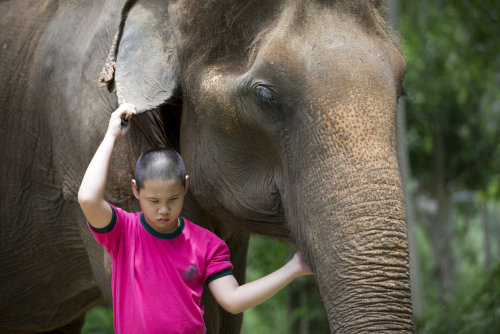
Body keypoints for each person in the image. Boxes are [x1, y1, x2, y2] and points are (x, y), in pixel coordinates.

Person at [78, 103, 313, 334]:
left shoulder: (207, 245)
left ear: (185, 186)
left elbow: (233, 299)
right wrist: (111, 136)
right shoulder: (122, 232)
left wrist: (293, 268)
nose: (164, 209)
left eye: (173, 199)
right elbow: (88, 198)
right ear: (136, 190)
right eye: (154, 201)